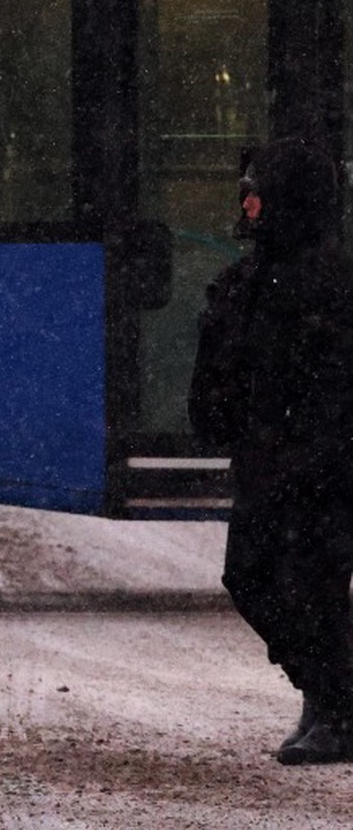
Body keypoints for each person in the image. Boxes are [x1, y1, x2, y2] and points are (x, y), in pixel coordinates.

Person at [188, 137, 353, 766]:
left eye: (257, 192)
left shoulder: (326, 284)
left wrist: (307, 452)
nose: (248, 204)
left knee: (312, 586)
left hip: (319, 472)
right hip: (269, 467)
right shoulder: (251, 278)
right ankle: (328, 696)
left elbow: (325, 387)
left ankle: (335, 707)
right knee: (253, 577)